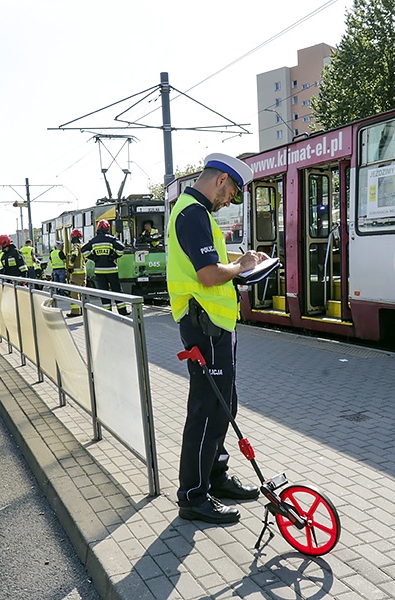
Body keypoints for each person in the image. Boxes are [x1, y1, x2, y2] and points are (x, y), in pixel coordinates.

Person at [168, 152, 268, 525]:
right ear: (221, 181)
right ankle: (193, 496)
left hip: (214, 325)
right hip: (204, 325)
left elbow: (208, 264)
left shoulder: (196, 212)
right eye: (231, 195)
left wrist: (240, 259)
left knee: (224, 404)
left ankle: (215, 476)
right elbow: (209, 275)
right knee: (208, 410)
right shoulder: (192, 213)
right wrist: (240, 267)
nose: (228, 202)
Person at [81, 220, 129, 315]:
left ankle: (107, 312)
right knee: (117, 291)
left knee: (103, 292)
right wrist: (114, 256)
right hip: (112, 270)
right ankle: (122, 312)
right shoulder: (111, 239)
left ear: (98, 229)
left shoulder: (93, 240)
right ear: (107, 228)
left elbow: (83, 250)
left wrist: (94, 258)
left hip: (99, 271)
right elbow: (121, 248)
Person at [66, 229, 86, 315]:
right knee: (83, 293)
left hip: (76, 274)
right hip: (83, 273)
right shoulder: (83, 246)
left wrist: (70, 267)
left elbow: (74, 256)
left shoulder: (75, 246)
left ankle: (75, 311)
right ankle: (82, 310)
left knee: (74, 293)